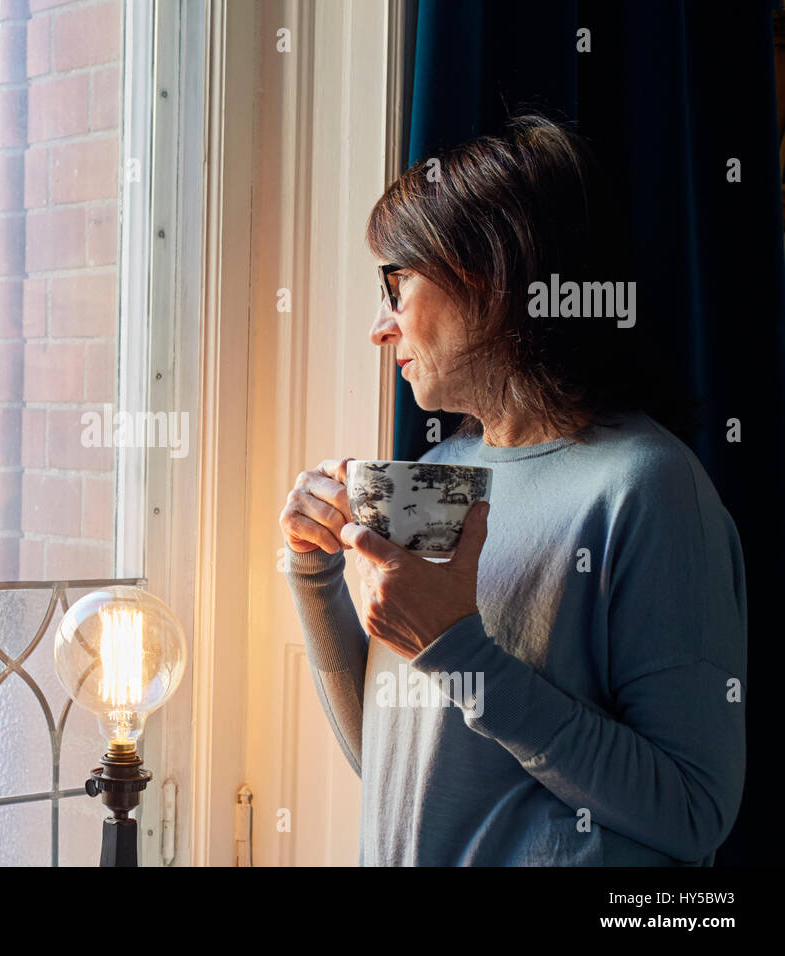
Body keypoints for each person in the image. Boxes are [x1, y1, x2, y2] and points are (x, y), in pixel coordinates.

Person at [278, 114, 746, 865]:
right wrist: (313, 572)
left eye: (396, 284)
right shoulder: (443, 476)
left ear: (489, 278)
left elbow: (693, 809)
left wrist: (456, 648)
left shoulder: (648, 489)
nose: (380, 326)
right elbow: (401, 772)